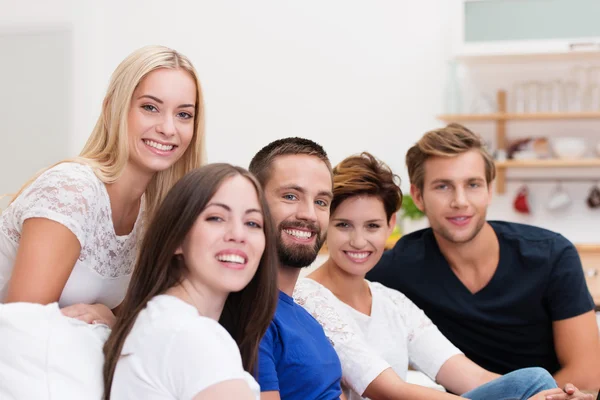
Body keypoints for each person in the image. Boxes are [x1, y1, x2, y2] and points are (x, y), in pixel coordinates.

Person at [294, 151, 592, 400]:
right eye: (343, 225)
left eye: (371, 226)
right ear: (324, 225)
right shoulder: (308, 297)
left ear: (390, 225)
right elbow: (388, 389)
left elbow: (470, 376)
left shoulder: (392, 301)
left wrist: (540, 395)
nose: (359, 241)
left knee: (535, 381)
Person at [0, 45, 205, 399]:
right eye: (150, 107)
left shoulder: (153, 215)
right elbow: (21, 330)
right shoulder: (73, 189)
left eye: (184, 115)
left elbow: (132, 316)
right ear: (114, 109)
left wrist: (108, 315)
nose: (168, 128)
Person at [366, 123, 600, 391]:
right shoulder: (396, 269)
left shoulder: (552, 256)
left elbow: (587, 374)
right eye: (443, 186)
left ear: (489, 190)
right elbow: (325, 294)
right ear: (418, 196)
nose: (460, 201)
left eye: (473, 184)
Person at [103, 163, 278, 399]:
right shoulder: (190, 336)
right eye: (216, 218)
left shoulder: (163, 322)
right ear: (177, 237)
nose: (238, 234)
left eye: (253, 223)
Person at [248, 138, 345, 400]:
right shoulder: (251, 315)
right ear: (253, 202)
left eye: (321, 202)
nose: (310, 215)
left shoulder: (304, 317)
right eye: (291, 196)